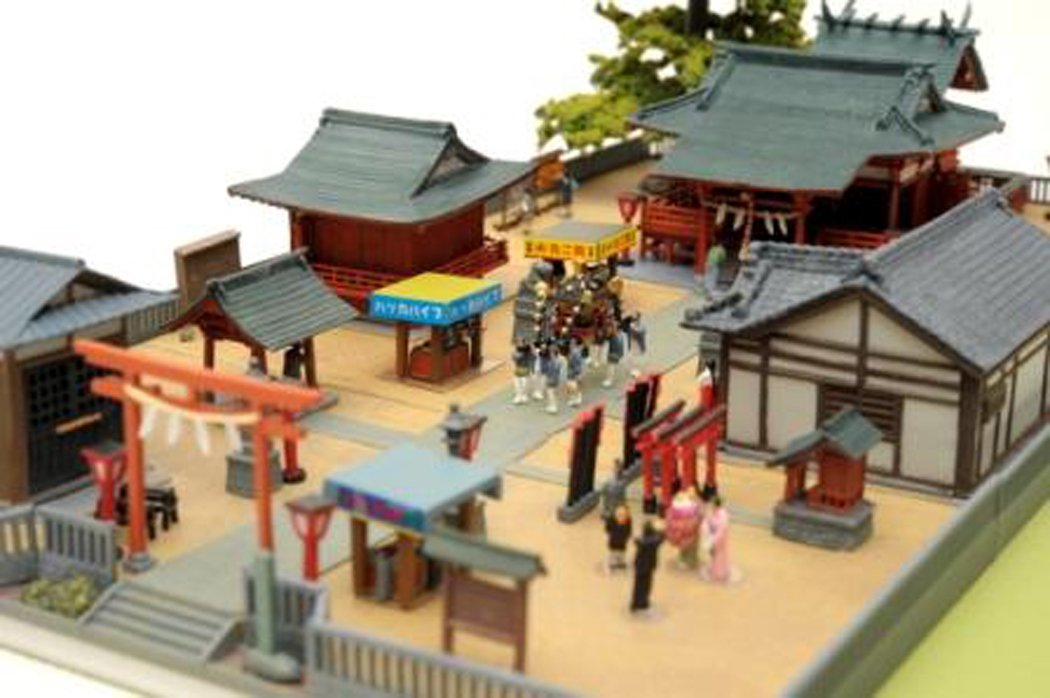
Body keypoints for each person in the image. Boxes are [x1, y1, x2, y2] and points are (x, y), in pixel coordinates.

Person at [630, 519, 665, 613]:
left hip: (640, 565)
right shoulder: (655, 540)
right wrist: (660, 529)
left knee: (638, 585)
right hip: (649, 566)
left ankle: (636, 603)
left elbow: (636, 539)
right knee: (646, 584)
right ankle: (643, 602)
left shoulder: (641, 540)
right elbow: (662, 537)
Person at [665, 490, 702, 570]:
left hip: (691, 533)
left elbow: (698, 517)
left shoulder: (695, 505)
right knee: (686, 549)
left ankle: (691, 562)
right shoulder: (685, 506)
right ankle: (686, 560)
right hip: (687, 534)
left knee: (691, 549)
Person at [702, 495, 732, 584]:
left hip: (720, 539)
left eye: (712, 504)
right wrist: (707, 530)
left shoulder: (723, 515)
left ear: (716, 505)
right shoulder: (711, 512)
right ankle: (714, 569)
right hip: (712, 535)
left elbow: (722, 529)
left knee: (719, 555)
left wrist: (714, 539)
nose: (711, 506)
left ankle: (720, 573)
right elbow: (706, 521)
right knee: (713, 555)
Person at [604, 503, 632, 573]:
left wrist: (628, 535)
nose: (622, 517)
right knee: (613, 552)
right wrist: (611, 533)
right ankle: (612, 563)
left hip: (622, 540)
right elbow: (607, 529)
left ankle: (620, 562)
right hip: (613, 540)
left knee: (621, 551)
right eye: (619, 514)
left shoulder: (628, 520)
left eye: (624, 514)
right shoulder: (611, 520)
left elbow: (629, 529)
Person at [564, 336, 586, 407]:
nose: (570, 344)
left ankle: (576, 400)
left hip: (573, 372)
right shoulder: (575, 351)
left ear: (576, 344)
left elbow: (577, 364)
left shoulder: (575, 352)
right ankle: (576, 399)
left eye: (572, 343)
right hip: (573, 372)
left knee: (572, 386)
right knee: (573, 386)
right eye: (571, 343)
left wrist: (578, 374)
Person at [511, 341, 534, 405]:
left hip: (525, 372)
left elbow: (533, 356)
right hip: (517, 372)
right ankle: (518, 396)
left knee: (525, 384)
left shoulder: (528, 353)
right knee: (517, 385)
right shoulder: (516, 353)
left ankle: (524, 395)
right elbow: (514, 358)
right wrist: (518, 353)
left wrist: (530, 347)